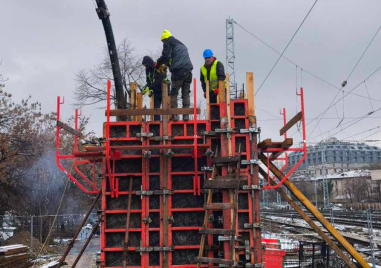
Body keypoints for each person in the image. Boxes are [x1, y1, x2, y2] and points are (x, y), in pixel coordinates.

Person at [156, 30, 193, 121]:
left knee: (174, 93)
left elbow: (165, 56)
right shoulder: (180, 44)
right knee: (185, 93)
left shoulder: (168, 42)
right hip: (188, 70)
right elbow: (174, 58)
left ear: (165, 39)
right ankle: (186, 115)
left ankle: (174, 114)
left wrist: (158, 63)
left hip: (178, 71)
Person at [141, 56, 168, 121]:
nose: (146, 67)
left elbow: (159, 81)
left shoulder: (158, 67)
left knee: (165, 108)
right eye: (145, 66)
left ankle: (166, 122)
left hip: (164, 90)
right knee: (156, 109)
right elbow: (148, 80)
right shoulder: (147, 70)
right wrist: (149, 89)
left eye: (147, 65)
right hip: (156, 91)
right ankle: (157, 124)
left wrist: (150, 87)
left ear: (150, 63)